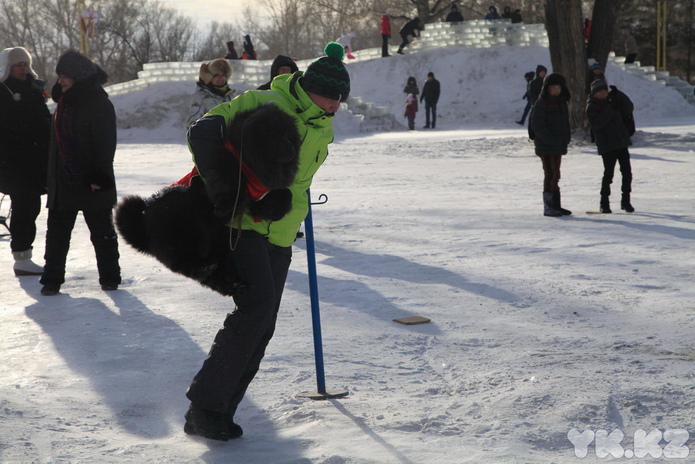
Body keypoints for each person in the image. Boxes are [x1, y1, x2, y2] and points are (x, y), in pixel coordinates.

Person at [183, 42, 350, 442]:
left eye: (341, 100)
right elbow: (203, 133)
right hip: (245, 224)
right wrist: (242, 190)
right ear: (312, 88)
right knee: (254, 310)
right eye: (332, 98)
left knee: (264, 321)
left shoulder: (319, 121)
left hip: (282, 231)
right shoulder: (266, 101)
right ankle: (205, 408)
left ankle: (218, 410)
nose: (336, 106)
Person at [40, 50, 121, 295]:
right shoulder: (63, 102)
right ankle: (51, 280)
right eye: (60, 76)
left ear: (78, 77)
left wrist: (99, 176)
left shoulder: (97, 102)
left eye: (66, 76)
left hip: (90, 180)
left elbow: (106, 143)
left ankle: (110, 278)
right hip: (63, 180)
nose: (61, 80)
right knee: (56, 234)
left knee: (102, 233)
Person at [0, 47, 51, 276]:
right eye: (17, 63)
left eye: (25, 63)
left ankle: (24, 255)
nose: (23, 67)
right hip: (15, 161)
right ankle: (21, 257)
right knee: (24, 207)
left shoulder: (34, 87)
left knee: (31, 207)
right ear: (7, 66)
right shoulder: (3, 90)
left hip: (35, 158)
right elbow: (13, 124)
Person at [585, 80, 635, 213]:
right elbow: (598, 124)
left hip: (621, 142)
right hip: (607, 145)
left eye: (605, 91)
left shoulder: (613, 101)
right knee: (608, 175)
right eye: (600, 92)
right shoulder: (592, 107)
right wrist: (609, 109)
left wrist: (619, 95)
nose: (603, 94)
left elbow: (629, 107)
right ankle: (604, 203)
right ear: (594, 94)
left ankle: (626, 201)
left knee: (627, 174)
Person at [529, 73, 571, 217]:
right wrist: (550, 140)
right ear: (547, 88)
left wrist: (566, 138)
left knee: (556, 174)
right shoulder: (541, 103)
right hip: (546, 146)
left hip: (558, 145)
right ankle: (548, 207)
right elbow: (537, 125)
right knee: (550, 174)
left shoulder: (562, 102)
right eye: (553, 87)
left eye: (558, 87)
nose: (556, 90)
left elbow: (565, 123)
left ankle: (556, 205)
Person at [186, 58, 235, 129]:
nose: (220, 78)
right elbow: (192, 124)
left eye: (223, 75)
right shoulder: (201, 96)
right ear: (209, 77)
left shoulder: (230, 95)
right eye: (216, 75)